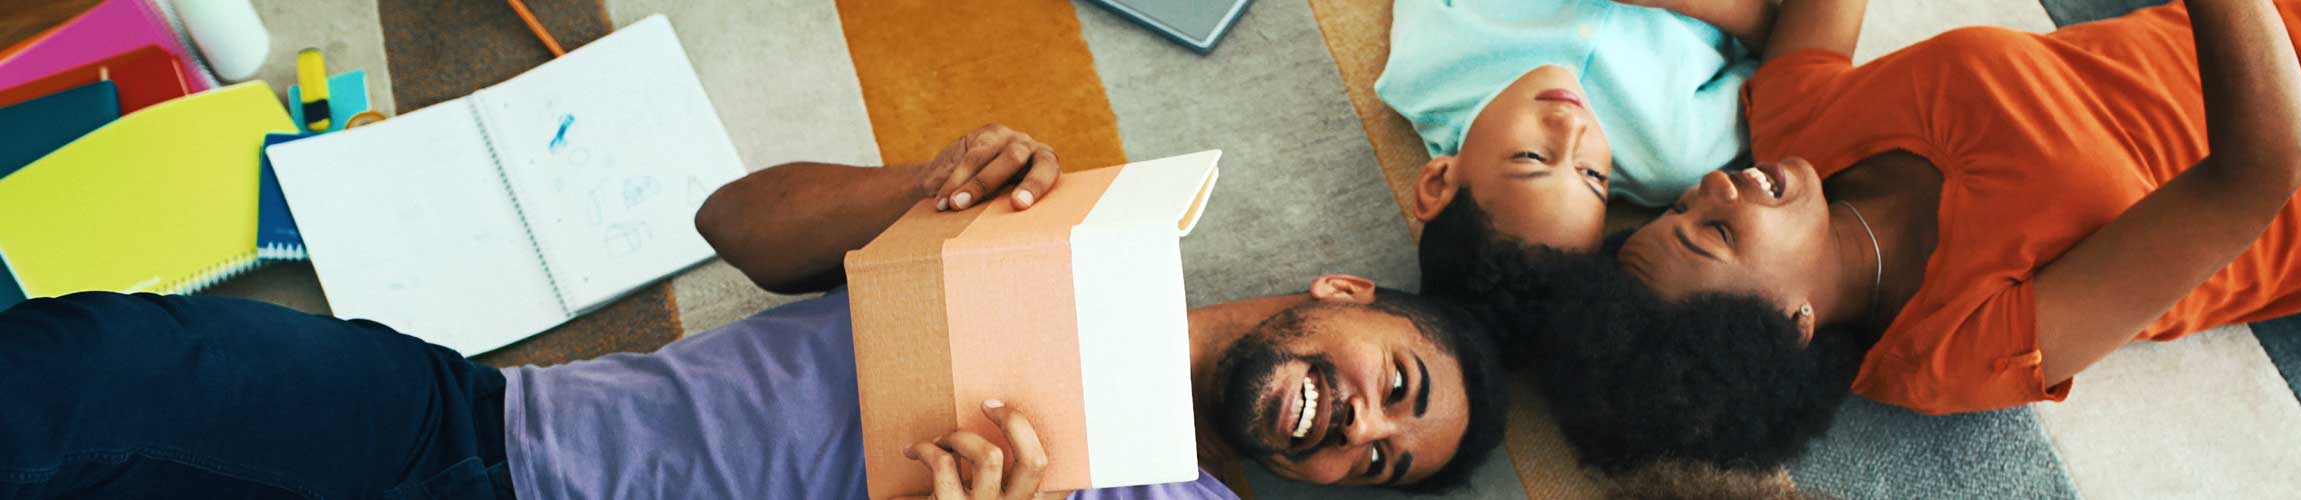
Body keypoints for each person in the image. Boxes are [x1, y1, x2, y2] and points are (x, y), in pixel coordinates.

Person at [0, 125, 1510, 499]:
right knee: (117, 365)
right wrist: (930, 187)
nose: (1354, 423)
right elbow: (732, 227)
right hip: (487, 427)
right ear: (1344, 293)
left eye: (1377, 460)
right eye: (1393, 385)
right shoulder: (1086, 231)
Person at [1531, 0, 2301, 473]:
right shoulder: (1955, 345)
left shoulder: (1799, 132)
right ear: (1790, 325)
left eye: (1682, 207)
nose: (1713, 186)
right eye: (1716, 230)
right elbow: (2270, 163)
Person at [1377, 0, 1773, 334]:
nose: (1572, 126)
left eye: (1529, 157)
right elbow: (1786, 48)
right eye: (1593, 175)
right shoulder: (1674, 154)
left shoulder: (1423, 71)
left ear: (1438, 181)